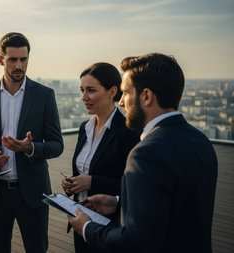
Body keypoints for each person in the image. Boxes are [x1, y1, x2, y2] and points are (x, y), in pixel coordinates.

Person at [68, 53, 218, 253]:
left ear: (146, 96)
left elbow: (135, 241)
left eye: (126, 93)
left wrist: (87, 228)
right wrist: (119, 203)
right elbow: (177, 204)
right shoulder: (201, 141)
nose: (121, 102)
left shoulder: (146, 153)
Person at [0, 32, 64, 252]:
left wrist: (31, 148)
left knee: (36, 248)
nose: (19, 65)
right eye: (13, 59)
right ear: (1, 60)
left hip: (33, 192)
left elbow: (57, 144)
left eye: (24, 59)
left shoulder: (44, 95)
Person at [61, 62, 140, 252]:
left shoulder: (128, 132)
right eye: (82, 90)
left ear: (112, 91)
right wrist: (72, 184)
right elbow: (84, 171)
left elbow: (134, 187)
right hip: (81, 220)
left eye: (91, 90)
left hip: (110, 229)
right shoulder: (84, 128)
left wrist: (92, 182)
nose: (83, 97)